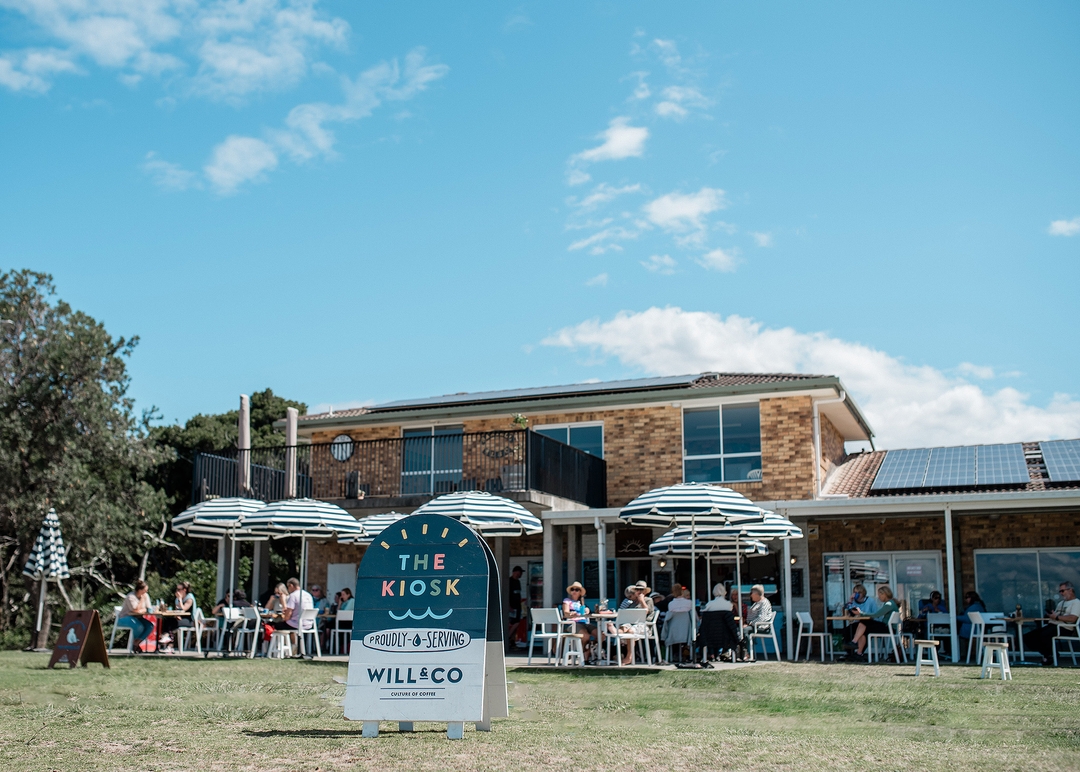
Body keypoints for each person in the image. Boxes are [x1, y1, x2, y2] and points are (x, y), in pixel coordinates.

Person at [1024, 581, 1080, 665]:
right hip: (1053, 625)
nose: (1061, 593)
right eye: (1060, 591)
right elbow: (1056, 615)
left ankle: (1051, 655)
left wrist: (1056, 617)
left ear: (1070, 590)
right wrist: (1051, 615)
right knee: (1028, 637)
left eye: (1063, 591)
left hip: (1065, 628)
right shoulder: (1061, 603)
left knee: (1044, 635)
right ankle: (1049, 654)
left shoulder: (1076, 603)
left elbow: (1072, 618)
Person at [847, 585, 900, 662]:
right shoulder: (891, 603)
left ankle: (854, 642)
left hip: (887, 628)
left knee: (864, 622)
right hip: (888, 627)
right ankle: (858, 653)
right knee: (864, 630)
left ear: (884, 594)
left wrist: (861, 613)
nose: (879, 597)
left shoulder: (889, 604)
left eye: (880, 595)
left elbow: (876, 614)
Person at [116, 579, 154, 653]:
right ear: (139, 590)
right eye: (145, 590)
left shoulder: (146, 596)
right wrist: (142, 600)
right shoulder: (131, 596)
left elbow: (149, 609)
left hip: (137, 617)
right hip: (125, 617)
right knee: (139, 626)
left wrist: (143, 609)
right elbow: (135, 609)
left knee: (149, 626)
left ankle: (136, 643)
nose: (146, 592)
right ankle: (134, 645)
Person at [740, 584, 775, 661]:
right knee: (739, 629)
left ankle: (747, 653)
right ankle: (740, 653)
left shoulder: (764, 603)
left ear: (756, 593)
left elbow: (762, 618)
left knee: (745, 630)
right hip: (753, 625)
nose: (750, 595)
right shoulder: (756, 603)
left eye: (751, 593)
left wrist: (749, 623)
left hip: (762, 627)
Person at [562, 582, 595, 661]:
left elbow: (586, 612)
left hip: (584, 623)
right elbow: (565, 613)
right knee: (586, 636)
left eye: (577, 590)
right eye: (572, 589)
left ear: (580, 592)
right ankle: (583, 652)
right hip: (573, 623)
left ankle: (591, 649)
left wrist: (587, 610)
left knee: (601, 635)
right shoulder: (567, 601)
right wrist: (571, 613)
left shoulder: (582, 603)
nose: (574, 591)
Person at [160, 581, 197, 651]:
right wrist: (176, 615)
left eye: (179, 589)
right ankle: (168, 640)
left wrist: (180, 599)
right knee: (167, 620)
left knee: (173, 623)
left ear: (184, 590)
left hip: (189, 620)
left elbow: (184, 608)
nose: (177, 591)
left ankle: (169, 643)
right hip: (180, 618)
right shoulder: (177, 599)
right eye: (176, 589)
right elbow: (177, 610)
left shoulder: (189, 598)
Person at [507, 566, 526, 651]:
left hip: (518, 606)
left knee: (517, 623)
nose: (520, 574)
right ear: (515, 572)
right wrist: (508, 606)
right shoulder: (509, 581)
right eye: (519, 572)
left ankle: (512, 641)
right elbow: (506, 594)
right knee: (515, 623)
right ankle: (507, 637)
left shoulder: (518, 582)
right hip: (511, 606)